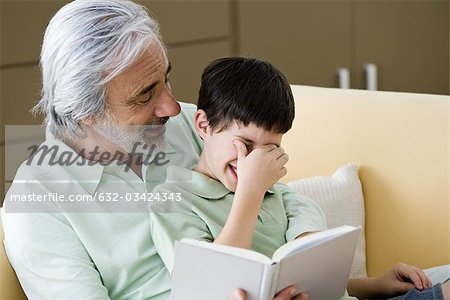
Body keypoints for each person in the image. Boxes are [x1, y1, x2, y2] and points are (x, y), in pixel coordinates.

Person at [1, 0, 448, 299]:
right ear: (86, 112)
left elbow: (276, 200)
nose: (171, 105)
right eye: (144, 95)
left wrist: (348, 277)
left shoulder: (184, 125)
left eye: (166, 79)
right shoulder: (37, 207)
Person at [149, 57, 449, 300]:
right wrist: (251, 191)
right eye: (245, 146)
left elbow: (318, 286)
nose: (253, 163)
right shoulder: (172, 201)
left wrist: (376, 285)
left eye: (269, 150)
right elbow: (216, 283)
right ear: (203, 124)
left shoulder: (286, 198)